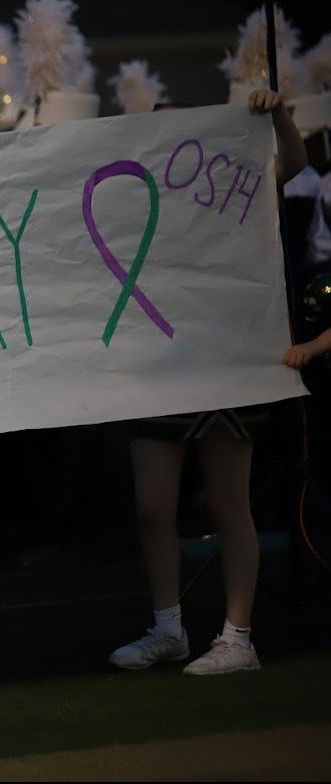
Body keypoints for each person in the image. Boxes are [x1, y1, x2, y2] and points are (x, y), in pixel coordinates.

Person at [109, 88, 307, 676]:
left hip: (226, 360)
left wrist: (276, 115)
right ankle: (168, 628)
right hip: (158, 367)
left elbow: (291, 165)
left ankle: (237, 636)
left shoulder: (227, 180)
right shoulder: (132, 193)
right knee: (151, 507)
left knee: (228, 504)